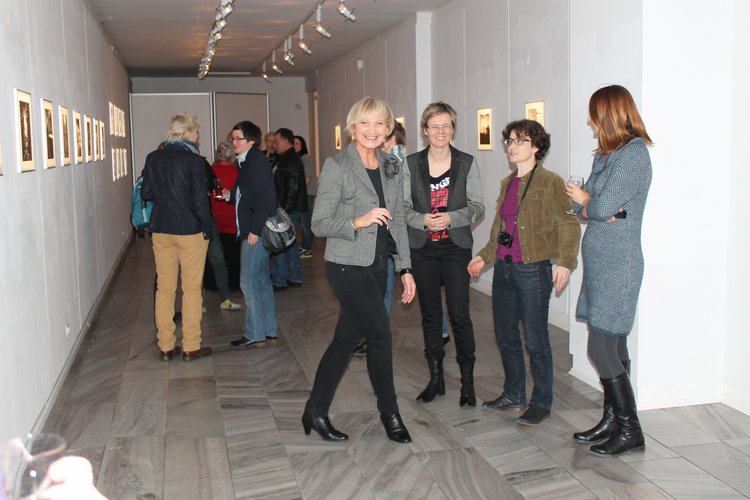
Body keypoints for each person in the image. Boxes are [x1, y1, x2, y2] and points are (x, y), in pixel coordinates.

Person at [303, 97, 416, 444]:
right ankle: (390, 413)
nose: (372, 130)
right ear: (353, 128)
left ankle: (315, 410)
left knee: (345, 340)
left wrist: (405, 268)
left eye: (380, 123)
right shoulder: (337, 166)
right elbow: (319, 223)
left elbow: (398, 220)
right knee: (380, 336)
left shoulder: (392, 165)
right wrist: (358, 220)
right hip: (346, 265)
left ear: (388, 130)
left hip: (379, 264)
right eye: (365, 123)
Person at [468, 119, 580, 425]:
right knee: (505, 336)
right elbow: (499, 228)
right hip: (503, 269)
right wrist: (483, 256)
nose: (513, 146)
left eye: (521, 141)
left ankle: (541, 402)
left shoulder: (550, 182)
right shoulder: (508, 183)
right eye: (510, 141)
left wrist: (566, 262)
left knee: (535, 339)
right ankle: (513, 393)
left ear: (537, 147)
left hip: (532, 268)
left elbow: (569, 224)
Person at [565, 84, 652, 456]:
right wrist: (592, 204)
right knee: (613, 344)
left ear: (609, 114)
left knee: (601, 347)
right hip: (601, 263)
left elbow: (597, 207)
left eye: (594, 114)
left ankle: (631, 430)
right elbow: (587, 210)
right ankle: (613, 420)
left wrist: (591, 202)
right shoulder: (606, 154)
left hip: (620, 265)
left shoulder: (633, 156)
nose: (589, 120)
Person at [404, 102, 485, 408]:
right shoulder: (411, 164)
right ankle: (436, 379)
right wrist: (421, 219)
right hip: (422, 248)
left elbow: (478, 205)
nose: (440, 131)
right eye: (434, 126)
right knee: (430, 314)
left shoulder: (466, 162)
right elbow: (402, 207)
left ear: (453, 129)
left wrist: (452, 217)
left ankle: (467, 383)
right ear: (425, 130)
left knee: (459, 314)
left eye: (446, 125)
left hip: (455, 247)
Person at [141, 113, 213, 362]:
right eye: (196, 131)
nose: (198, 135)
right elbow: (200, 201)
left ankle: (165, 346)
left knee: (164, 289)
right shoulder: (194, 161)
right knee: (191, 290)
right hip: (190, 231)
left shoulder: (154, 158)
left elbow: (146, 192)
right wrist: (208, 228)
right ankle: (191, 346)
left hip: (162, 229)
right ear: (187, 132)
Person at [225, 121, 279, 349]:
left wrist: (255, 230)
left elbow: (267, 200)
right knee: (261, 281)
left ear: (251, 141)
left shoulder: (255, 163)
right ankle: (268, 329)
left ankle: (255, 333)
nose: (234, 142)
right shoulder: (247, 161)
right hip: (253, 229)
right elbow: (247, 194)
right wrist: (229, 196)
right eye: (233, 138)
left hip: (255, 232)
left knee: (248, 282)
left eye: (238, 138)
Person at [270, 128, 307, 290]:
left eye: (276, 141)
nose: (274, 145)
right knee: (289, 243)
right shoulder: (285, 158)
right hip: (289, 208)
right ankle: (294, 276)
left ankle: (279, 279)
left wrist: (282, 211)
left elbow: (293, 188)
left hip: (288, 209)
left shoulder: (290, 160)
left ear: (286, 141)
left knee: (280, 243)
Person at [210, 142, 242, 296]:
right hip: (231, 217)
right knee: (232, 255)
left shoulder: (210, 171)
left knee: (214, 255)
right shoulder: (237, 172)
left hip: (214, 216)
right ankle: (233, 283)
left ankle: (212, 283)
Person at [294, 135, 316, 258]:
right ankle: (304, 246)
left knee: (305, 222)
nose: (295, 145)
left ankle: (307, 249)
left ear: (302, 145)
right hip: (303, 194)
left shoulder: (305, 158)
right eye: (293, 143)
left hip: (306, 194)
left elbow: (307, 179)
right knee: (302, 222)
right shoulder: (298, 158)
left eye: (297, 143)